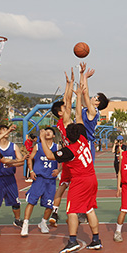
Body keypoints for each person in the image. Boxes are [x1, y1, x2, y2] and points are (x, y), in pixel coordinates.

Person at [40, 122, 102, 253]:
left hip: (80, 181)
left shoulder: (70, 150)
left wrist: (42, 139)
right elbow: (79, 125)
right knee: (89, 209)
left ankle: (73, 241)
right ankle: (96, 240)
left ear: (67, 137)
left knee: (72, 211)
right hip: (92, 178)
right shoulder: (83, 140)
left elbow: (50, 156)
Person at [49, 69, 76, 227]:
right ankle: (75, 212)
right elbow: (68, 100)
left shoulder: (60, 123)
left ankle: (54, 211)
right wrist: (70, 84)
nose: (67, 107)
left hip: (66, 156)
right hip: (74, 154)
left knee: (63, 185)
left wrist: (68, 83)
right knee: (78, 185)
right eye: (64, 108)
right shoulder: (65, 119)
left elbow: (66, 100)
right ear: (60, 112)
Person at [21, 127, 59, 236]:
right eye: (46, 131)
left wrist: (59, 170)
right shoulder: (38, 146)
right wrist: (31, 171)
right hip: (39, 179)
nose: (48, 132)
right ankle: (25, 224)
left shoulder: (57, 147)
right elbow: (30, 158)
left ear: (53, 135)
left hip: (51, 180)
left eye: (50, 131)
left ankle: (43, 222)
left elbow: (63, 160)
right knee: (31, 201)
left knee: (50, 204)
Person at [0, 125, 25, 236]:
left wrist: (12, 164)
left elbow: (21, 162)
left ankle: (17, 220)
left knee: (16, 201)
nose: (6, 132)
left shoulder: (13, 146)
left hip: (10, 178)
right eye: (2, 130)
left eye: (6, 130)